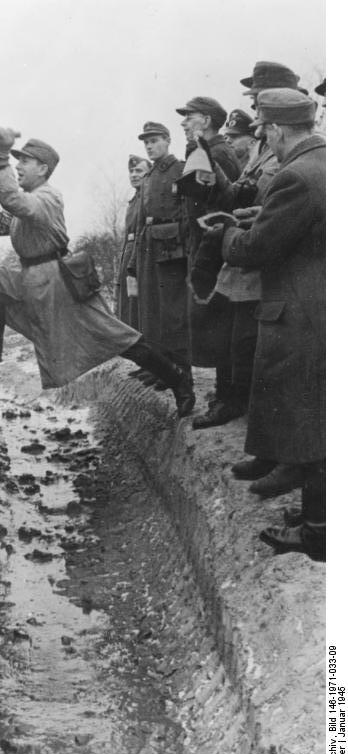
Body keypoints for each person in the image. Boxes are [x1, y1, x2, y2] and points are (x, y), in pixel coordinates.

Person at [0, 128, 195, 416]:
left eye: (24, 162)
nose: (18, 167)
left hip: (60, 285)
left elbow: (14, 203)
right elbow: (5, 223)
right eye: (16, 162)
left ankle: (177, 379)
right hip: (36, 282)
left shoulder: (47, 197)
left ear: (42, 169)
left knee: (119, 339)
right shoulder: (32, 198)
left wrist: (2, 157)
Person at [216, 89, 325, 560]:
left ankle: (318, 533)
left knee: (311, 424)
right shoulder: (325, 163)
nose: (266, 140)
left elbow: (256, 251)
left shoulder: (295, 176)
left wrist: (226, 232)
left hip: (302, 314)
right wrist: (261, 215)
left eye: (265, 131)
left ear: (278, 129)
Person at [210, 62, 308, 499]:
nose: (255, 117)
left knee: (282, 370)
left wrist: (230, 231)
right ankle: (274, 452)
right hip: (275, 267)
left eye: (260, 106)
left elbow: (286, 202)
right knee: (266, 361)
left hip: (284, 274)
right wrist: (245, 214)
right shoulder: (274, 151)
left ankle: (294, 464)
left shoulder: (297, 157)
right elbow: (267, 200)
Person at [175, 97, 241, 428]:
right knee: (216, 323)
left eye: (190, 117)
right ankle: (223, 394)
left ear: (209, 120)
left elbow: (224, 207)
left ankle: (228, 399)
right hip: (205, 248)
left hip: (216, 251)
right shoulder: (203, 151)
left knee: (222, 323)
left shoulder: (219, 153)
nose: (184, 123)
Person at [130, 122, 194, 406]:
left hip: (171, 249)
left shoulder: (178, 169)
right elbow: (141, 219)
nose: (150, 146)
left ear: (168, 141)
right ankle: (165, 371)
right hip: (149, 247)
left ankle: (184, 376)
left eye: (155, 140)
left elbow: (186, 212)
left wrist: (182, 245)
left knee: (173, 316)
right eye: (146, 142)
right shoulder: (150, 175)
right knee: (153, 314)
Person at [115, 154, 150, 328]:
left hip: (140, 255)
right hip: (128, 253)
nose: (134, 174)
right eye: (131, 171)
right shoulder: (134, 200)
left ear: (148, 174)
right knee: (128, 301)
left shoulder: (148, 198)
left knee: (137, 303)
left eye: (139, 171)